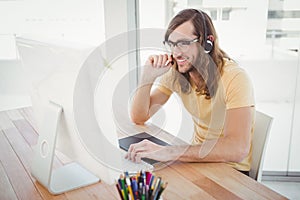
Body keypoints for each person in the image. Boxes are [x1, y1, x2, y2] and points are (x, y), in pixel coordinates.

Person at [126, 8, 255, 175]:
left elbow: (237, 148)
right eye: (172, 44)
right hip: (197, 162)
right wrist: (147, 77)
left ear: (207, 43)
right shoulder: (178, 72)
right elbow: (139, 117)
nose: (176, 53)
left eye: (184, 43)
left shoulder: (235, 77)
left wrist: (168, 152)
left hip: (230, 170)